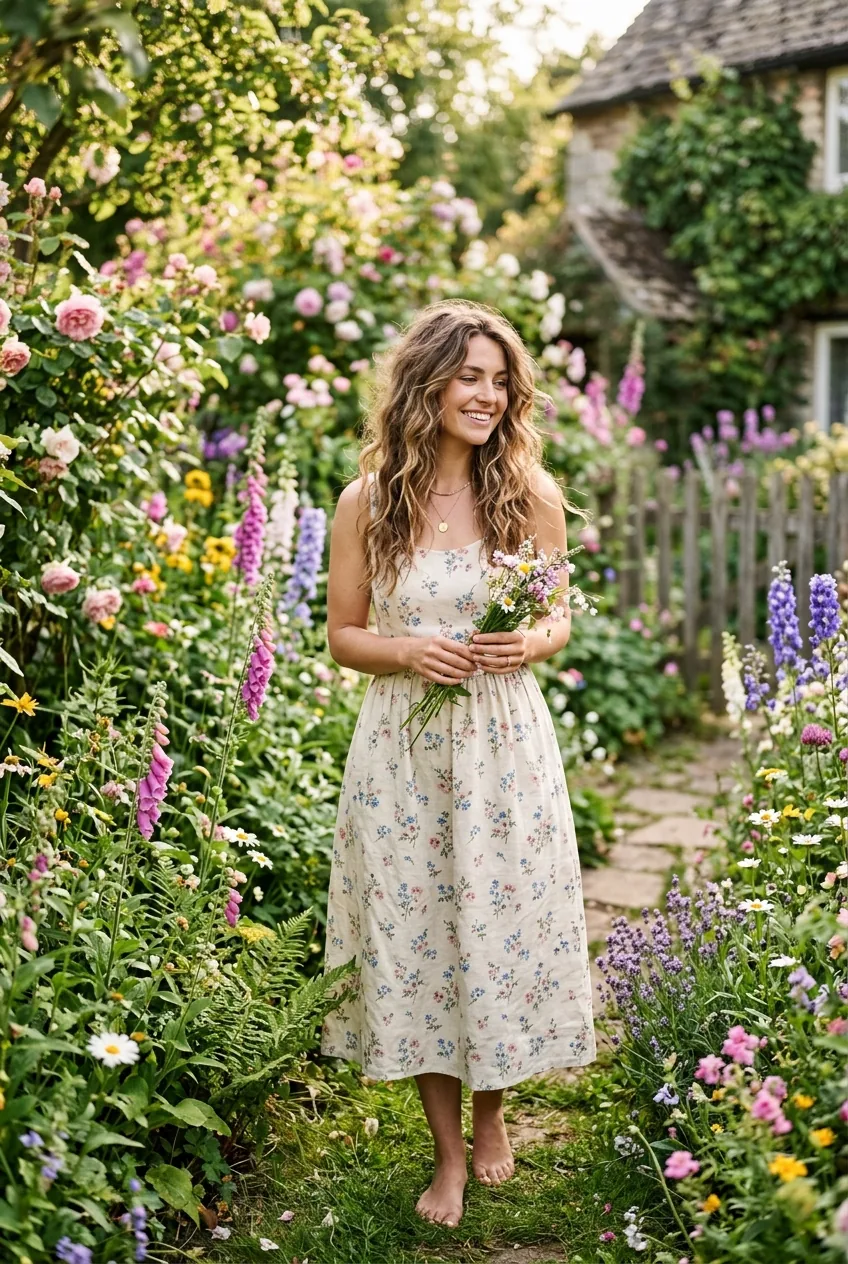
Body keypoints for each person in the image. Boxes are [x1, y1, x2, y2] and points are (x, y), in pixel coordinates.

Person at [320, 299, 595, 1228]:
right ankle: (446, 1154)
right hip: (402, 752)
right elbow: (344, 637)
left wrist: (531, 643)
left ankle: (494, 1120)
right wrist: (409, 652)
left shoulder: (531, 495)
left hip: (503, 746)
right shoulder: (368, 502)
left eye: (499, 378)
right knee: (419, 936)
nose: (488, 394)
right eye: (469, 376)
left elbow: (557, 616)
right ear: (427, 383)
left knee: (497, 924)